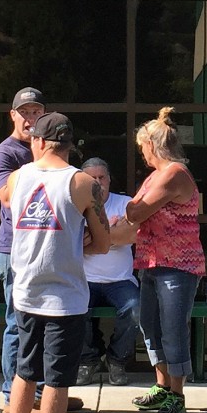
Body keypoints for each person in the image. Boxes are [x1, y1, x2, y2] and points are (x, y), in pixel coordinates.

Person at [2, 113, 112, 413]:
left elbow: (7, 202)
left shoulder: (17, 179)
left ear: (39, 141)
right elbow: (103, 242)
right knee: (57, 380)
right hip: (65, 295)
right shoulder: (83, 182)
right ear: (68, 145)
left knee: (24, 372)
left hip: (26, 290)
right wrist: (74, 240)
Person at [0, 87, 79, 413]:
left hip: (46, 251)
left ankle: (43, 393)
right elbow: (8, 198)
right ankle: (11, 398)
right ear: (12, 115)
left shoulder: (46, 151)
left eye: (35, 112)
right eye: (24, 112)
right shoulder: (6, 154)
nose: (30, 118)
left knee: (44, 324)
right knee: (18, 324)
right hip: (13, 250)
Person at [125, 106, 206, 413]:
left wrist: (130, 210)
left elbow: (135, 213)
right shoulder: (156, 176)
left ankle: (177, 394)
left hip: (178, 266)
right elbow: (136, 211)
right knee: (150, 325)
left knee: (173, 329)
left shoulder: (174, 173)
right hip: (153, 262)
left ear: (151, 145)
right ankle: (161, 387)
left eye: (142, 147)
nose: (142, 154)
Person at [76, 156, 141, 388]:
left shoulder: (126, 203)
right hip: (84, 279)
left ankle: (117, 360)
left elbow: (133, 235)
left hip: (120, 280)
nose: (97, 182)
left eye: (101, 177)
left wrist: (92, 237)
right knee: (72, 307)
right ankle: (88, 360)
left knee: (135, 309)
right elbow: (70, 241)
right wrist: (113, 233)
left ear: (110, 180)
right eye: (92, 178)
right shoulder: (74, 204)